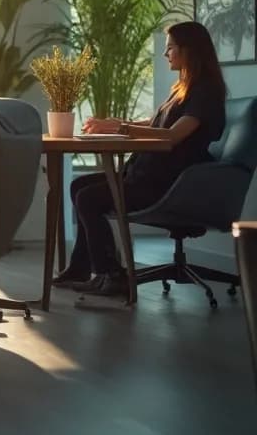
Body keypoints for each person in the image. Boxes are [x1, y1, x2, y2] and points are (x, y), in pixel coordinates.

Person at [55, 21, 228, 296]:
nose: (165, 53)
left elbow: (172, 136)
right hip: (147, 174)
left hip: (167, 184)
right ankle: (80, 266)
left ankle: (110, 275)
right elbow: (156, 122)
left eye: (170, 47)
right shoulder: (183, 87)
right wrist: (118, 123)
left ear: (189, 50)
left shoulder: (205, 93)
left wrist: (121, 129)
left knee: (89, 198)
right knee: (79, 186)